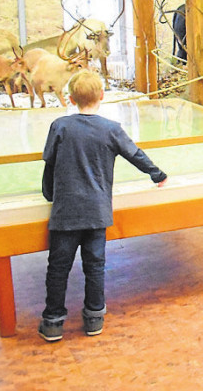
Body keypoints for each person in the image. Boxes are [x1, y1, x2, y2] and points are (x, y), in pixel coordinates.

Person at [37, 71, 168, 342]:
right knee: (95, 265)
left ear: (70, 99)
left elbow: (49, 164)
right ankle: (94, 317)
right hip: (97, 211)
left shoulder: (60, 126)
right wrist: (157, 174)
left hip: (65, 213)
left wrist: (49, 194)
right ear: (102, 97)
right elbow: (135, 154)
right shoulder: (111, 129)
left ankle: (53, 321)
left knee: (58, 266)